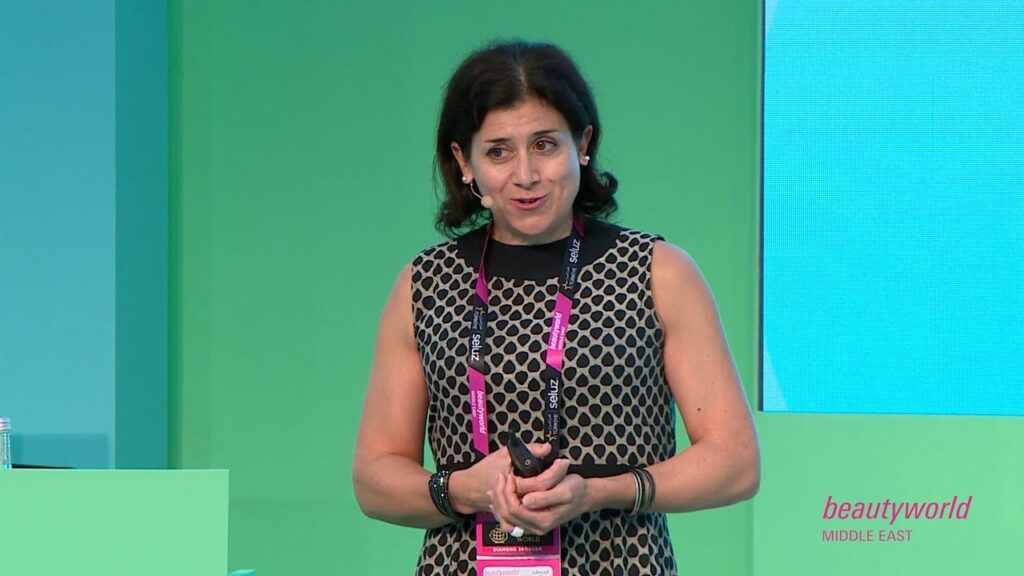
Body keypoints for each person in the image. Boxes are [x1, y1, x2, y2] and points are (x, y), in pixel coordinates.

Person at [353, 40, 759, 575]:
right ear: (464, 162)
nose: (526, 174)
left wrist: (598, 491)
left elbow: (735, 463)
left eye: (544, 144)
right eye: (498, 151)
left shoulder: (658, 271)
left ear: (582, 144)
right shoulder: (425, 283)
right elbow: (374, 480)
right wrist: (465, 489)